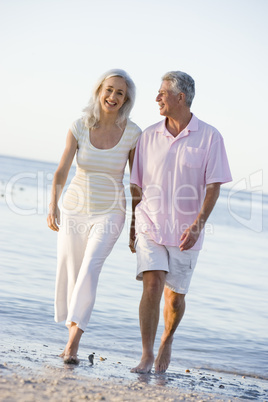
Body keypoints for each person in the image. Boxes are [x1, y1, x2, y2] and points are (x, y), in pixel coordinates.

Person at [129, 70, 232, 374]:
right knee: (152, 283)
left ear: (180, 97)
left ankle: (167, 340)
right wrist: (133, 227)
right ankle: (147, 354)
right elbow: (136, 186)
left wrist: (199, 223)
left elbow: (214, 185)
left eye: (162, 92)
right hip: (149, 223)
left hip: (187, 231)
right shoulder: (148, 136)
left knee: (174, 299)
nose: (157, 98)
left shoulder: (210, 137)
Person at [47, 69, 141, 364]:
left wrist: (135, 226)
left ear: (126, 99)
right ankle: (69, 333)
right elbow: (62, 170)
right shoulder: (79, 126)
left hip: (111, 211)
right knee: (71, 270)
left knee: (90, 269)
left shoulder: (133, 133)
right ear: (99, 90)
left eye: (120, 93)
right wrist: (53, 205)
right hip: (74, 208)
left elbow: (136, 182)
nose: (113, 97)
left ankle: (73, 344)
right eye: (109, 90)